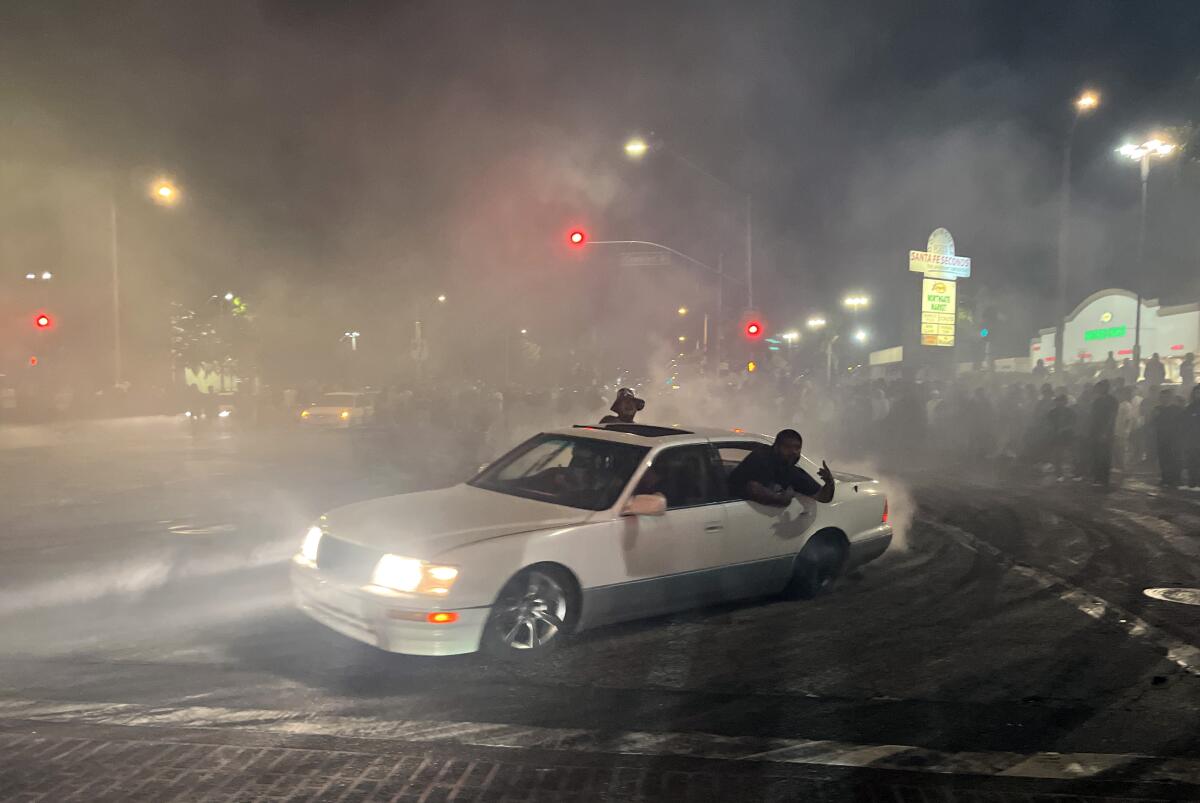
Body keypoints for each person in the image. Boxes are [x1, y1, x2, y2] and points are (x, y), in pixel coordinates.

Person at [728, 428, 835, 507]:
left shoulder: (790, 470)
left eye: (797, 448)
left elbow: (822, 497)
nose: (793, 452)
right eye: (787, 447)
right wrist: (783, 499)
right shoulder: (760, 458)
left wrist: (829, 482)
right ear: (776, 447)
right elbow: (754, 489)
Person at [1087, 379, 1118, 487]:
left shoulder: (1112, 400)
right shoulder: (1096, 401)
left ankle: (1104, 479)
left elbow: (1112, 417)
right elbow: (1092, 416)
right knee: (1096, 455)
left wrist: (1105, 431)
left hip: (1106, 431)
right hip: (1095, 431)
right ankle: (1097, 477)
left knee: (1105, 456)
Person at [1153, 388, 1185, 487]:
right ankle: (1165, 478)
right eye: (1162, 397)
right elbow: (1153, 423)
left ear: (1170, 398)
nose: (1163, 399)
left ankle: (1176, 479)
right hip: (1161, 438)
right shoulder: (1157, 409)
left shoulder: (1177, 409)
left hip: (1174, 439)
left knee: (1175, 459)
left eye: (1166, 397)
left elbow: (1181, 424)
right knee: (1163, 459)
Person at [1046, 394, 1075, 481]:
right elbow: (1048, 423)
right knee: (1057, 454)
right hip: (1055, 436)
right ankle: (1058, 472)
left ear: (1065, 402)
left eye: (1061, 401)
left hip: (1067, 436)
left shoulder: (1070, 412)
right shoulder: (1052, 412)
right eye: (1057, 401)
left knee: (1067, 454)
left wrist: (1063, 429)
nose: (1058, 403)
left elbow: (1072, 423)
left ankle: (1067, 471)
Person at [1185, 385, 1200, 488]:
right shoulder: (1190, 407)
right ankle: (1193, 480)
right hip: (1193, 439)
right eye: (1197, 392)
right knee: (1193, 460)